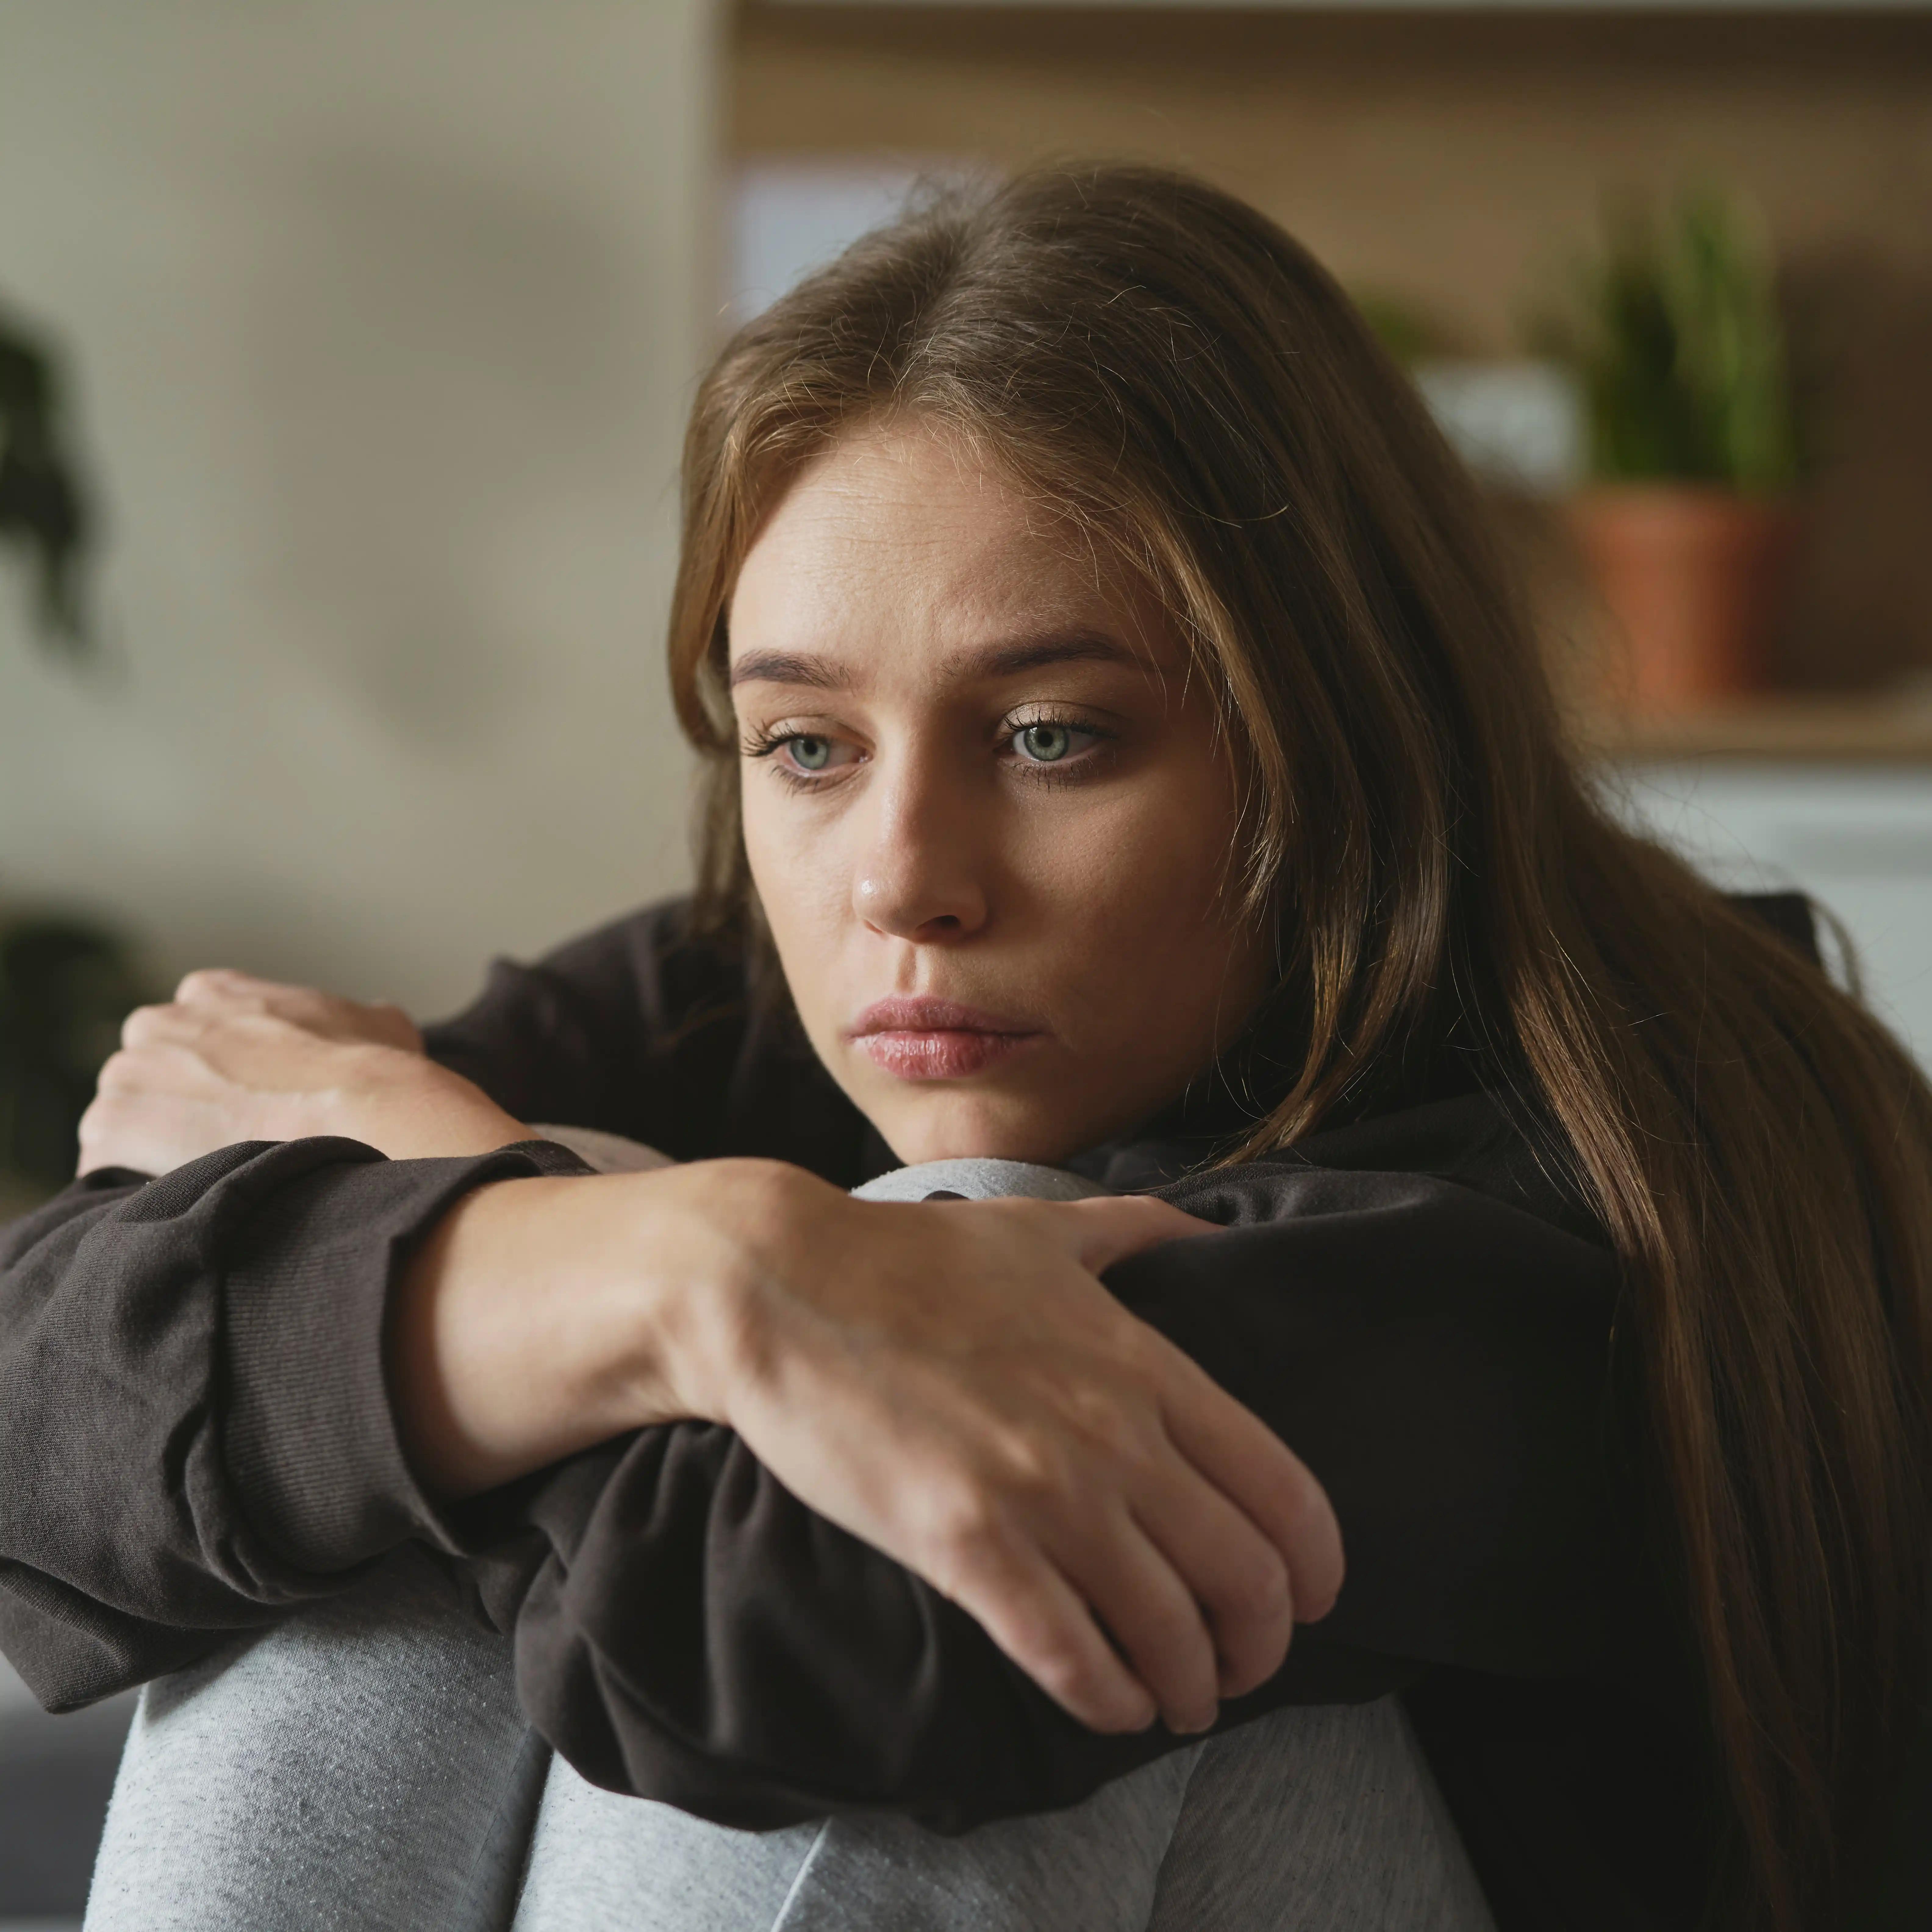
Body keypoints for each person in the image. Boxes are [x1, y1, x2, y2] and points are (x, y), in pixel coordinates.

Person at [2, 164, 1927, 1932]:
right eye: (810, 746)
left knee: (923, 1293)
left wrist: (502, 1191)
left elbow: (823, 1650)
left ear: (1343, 738)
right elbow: (37, 1426)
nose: (902, 883)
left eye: (1053, 737)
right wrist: (660, 1266)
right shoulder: (759, 992)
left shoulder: (1594, 1171)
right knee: (405, 1388)